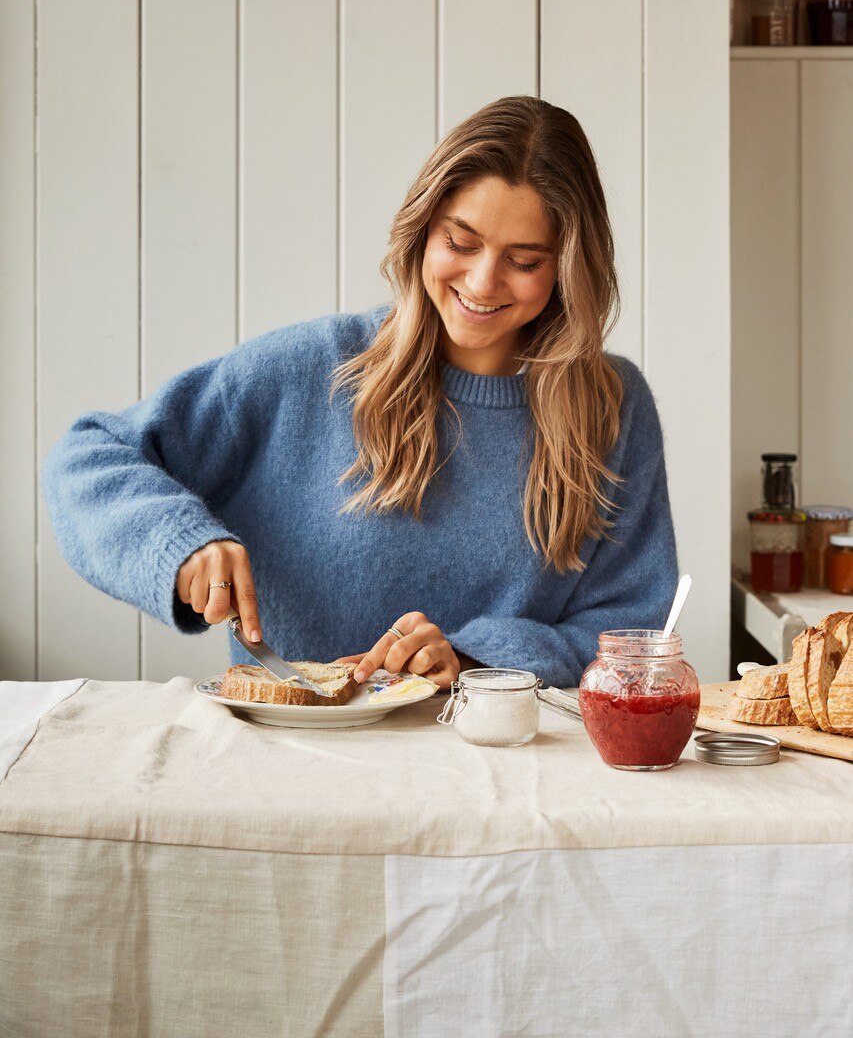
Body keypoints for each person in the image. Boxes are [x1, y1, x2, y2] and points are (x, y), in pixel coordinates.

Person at [42, 96, 677, 690]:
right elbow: (88, 456)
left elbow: (634, 633)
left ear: (569, 268)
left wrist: (475, 657)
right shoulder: (310, 370)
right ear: (423, 231)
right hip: (293, 768)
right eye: (460, 242)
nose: (483, 281)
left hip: (515, 778)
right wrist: (180, 542)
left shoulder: (614, 407)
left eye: (526, 260)